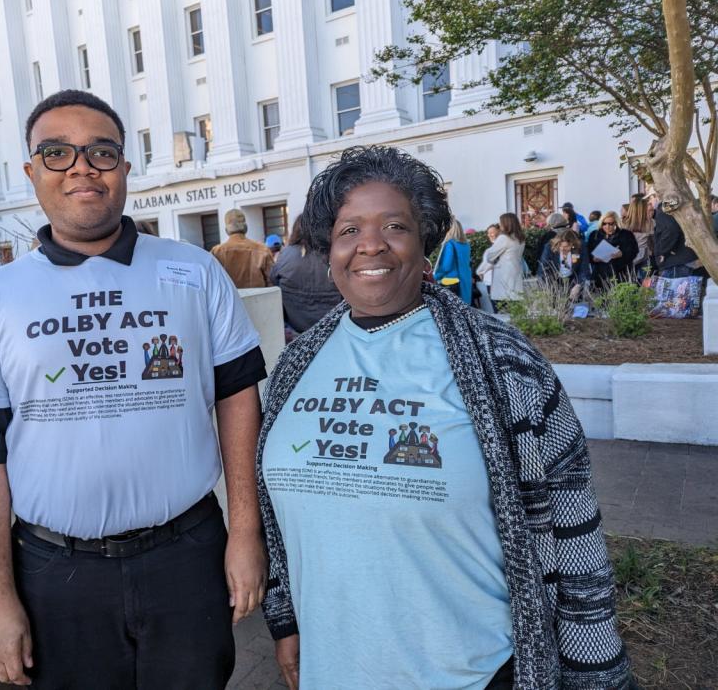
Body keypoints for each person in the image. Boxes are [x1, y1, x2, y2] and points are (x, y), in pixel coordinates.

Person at [254, 146, 630, 690]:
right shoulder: (296, 363)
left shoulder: (505, 363)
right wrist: (285, 619)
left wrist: (595, 676)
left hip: (473, 673)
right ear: (328, 250)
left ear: (425, 242)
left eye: (394, 226)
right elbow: (282, 523)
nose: (371, 245)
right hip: (334, 670)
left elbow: (575, 536)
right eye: (348, 230)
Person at [0, 89, 267, 688]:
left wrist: (245, 532)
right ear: (32, 171)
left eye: (101, 152)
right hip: (52, 575)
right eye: (58, 152)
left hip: (186, 557)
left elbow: (238, 400)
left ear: (124, 167)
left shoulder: (194, 272)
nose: (82, 167)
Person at [269, 215, 343, 339]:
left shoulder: (285, 255)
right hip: (332, 327)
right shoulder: (332, 254)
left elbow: (273, 279)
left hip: (297, 328)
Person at [210, 208, 275, 288]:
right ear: (245, 228)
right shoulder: (262, 250)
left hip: (231, 299)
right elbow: (272, 281)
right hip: (259, 298)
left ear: (226, 230)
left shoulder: (216, 252)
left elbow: (211, 281)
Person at [478, 212, 526, 306]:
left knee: (501, 309)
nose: (500, 225)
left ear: (506, 223)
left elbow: (490, 256)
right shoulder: (520, 238)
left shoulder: (504, 238)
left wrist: (481, 270)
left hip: (503, 276)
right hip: (515, 273)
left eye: (501, 222)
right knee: (514, 307)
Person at [588, 210, 639, 290]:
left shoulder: (626, 234)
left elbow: (634, 251)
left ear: (616, 223)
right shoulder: (595, 235)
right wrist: (593, 258)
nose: (607, 226)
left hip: (621, 273)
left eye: (610, 224)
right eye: (604, 224)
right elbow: (588, 252)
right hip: (601, 274)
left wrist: (622, 254)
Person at [652, 197, 700, 278]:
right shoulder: (678, 201)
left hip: (676, 261)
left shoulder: (666, 205)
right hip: (686, 256)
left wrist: (662, 251)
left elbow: (671, 229)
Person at [538, 229, 590, 300]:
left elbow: (584, 269)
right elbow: (543, 270)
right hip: (554, 281)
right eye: (560, 246)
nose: (562, 249)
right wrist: (547, 289)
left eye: (566, 247)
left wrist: (578, 285)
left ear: (573, 244)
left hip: (573, 281)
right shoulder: (549, 247)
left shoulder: (580, 247)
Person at [433, 218, 472, 305]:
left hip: (451, 280)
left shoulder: (449, 244)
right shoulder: (466, 245)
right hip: (465, 280)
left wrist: (435, 276)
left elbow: (446, 266)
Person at [620, 194, 654, 277]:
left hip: (629, 255)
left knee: (629, 282)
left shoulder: (624, 223)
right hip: (645, 255)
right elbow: (652, 240)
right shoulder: (651, 222)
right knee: (645, 283)